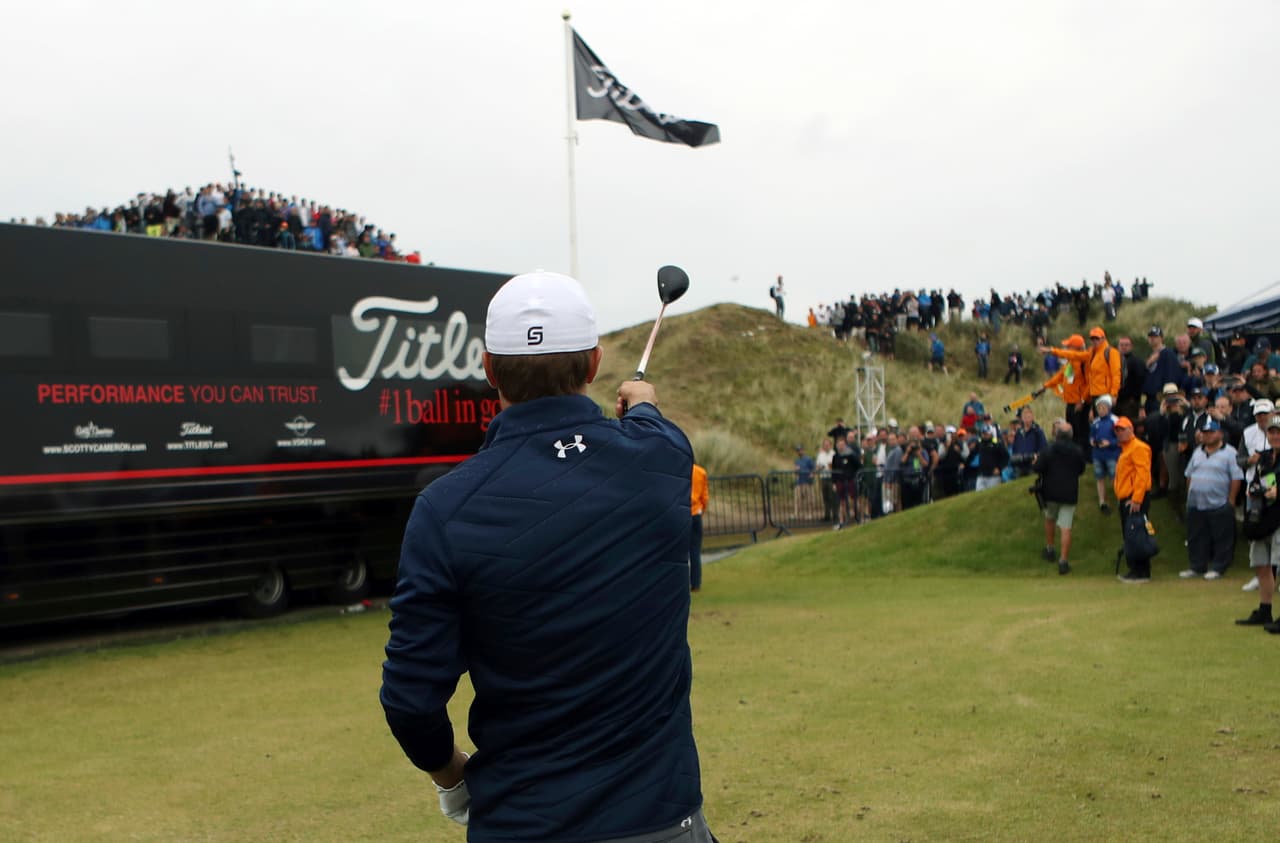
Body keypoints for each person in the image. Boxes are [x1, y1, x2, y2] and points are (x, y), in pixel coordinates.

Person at [381, 271, 716, 842]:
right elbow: (653, 428)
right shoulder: (661, 460)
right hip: (662, 819)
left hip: (522, 822)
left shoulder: (445, 509)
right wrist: (643, 406)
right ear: (593, 364)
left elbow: (411, 701)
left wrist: (453, 777)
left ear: (489, 369)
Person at [1180, 419, 1242, 580]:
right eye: (1205, 433)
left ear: (1220, 434)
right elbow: (1189, 475)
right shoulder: (1197, 452)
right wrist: (1189, 495)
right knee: (1196, 537)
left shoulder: (1230, 453)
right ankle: (1197, 566)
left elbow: (1236, 478)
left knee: (1222, 538)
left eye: (1211, 432)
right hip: (1196, 503)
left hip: (1219, 503)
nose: (1208, 436)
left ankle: (1218, 567)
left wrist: (1231, 500)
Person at [1239, 416, 1280, 628]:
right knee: (1262, 565)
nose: (1275, 436)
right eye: (1272, 432)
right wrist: (1255, 489)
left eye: (1278, 432)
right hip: (1262, 516)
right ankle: (1265, 610)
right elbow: (1259, 482)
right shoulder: (1265, 458)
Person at [1035, 420, 1087, 575]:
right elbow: (1081, 469)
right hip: (1069, 491)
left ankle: (1050, 549)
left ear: (1057, 435)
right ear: (1071, 436)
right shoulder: (1077, 450)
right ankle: (1063, 561)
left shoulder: (1049, 449)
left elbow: (1038, 468)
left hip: (1050, 491)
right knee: (1066, 526)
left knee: (1050, 518)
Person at [1114, 415, 1155, 583]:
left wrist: (1137, 499)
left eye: (1122, 429)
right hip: (1126, 498)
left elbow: (1142, 474)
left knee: (1137, 534)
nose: (1119, 433)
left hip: (1135, 498)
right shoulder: (1126, 449)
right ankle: (1135, 569)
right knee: (1130, 535)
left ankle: (1141, 571)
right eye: (1117, 430)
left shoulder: (1138, 447)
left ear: (1131, 430)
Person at [1090, 395, 1121, 514]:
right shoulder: (1095, 422)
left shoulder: (1115, 420)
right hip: (1098, 455)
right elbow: (1091, 435)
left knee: (1115, 478)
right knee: (1099, 478)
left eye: (1103, 408)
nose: (1100, 410)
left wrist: (1110, 443)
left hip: (1111, 455)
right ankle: (1102, 501)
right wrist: (1092, 441)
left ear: (1108, 408)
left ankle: (1120, 499)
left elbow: (1120, 439)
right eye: (1098, 408)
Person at [690, 462, 709, 592]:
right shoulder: (701, 472)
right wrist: (703, 508)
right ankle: (696, 583)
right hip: (696, 512)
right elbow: (705, 496)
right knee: (695, 551)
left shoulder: (678, 470)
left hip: (682, 513)